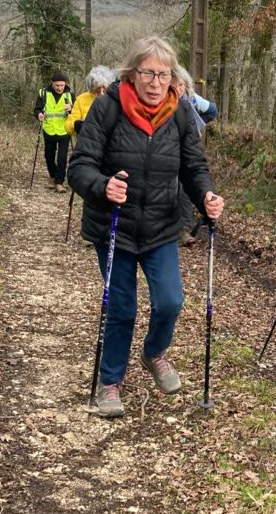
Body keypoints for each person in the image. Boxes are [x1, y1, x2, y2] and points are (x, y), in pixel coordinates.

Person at [68, 36, 224, 419]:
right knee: (122, 307)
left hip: (160, 226)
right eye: (148, 73)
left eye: (163, 74)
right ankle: (110, 381)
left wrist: (206, 196)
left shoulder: (181, 112)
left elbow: (193, 167)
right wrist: (103, 186)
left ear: (173, 78)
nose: (156, 83)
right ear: (132, 74)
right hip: (114, 225)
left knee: (170, 301)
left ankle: (154, 353)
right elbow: (80, 165)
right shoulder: (108, 107)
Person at [174, 67, 218, 244]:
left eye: (181, 85)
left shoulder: (192, 98)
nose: (179, 89)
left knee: (185, 187)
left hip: (188, 146)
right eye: (175, 85)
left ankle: (183, 229)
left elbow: (212, 111)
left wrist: (196, 125)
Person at [35, 72, 73, 192]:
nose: (60, 88)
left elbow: (76, 112)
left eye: (62, 85)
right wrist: (39, 115)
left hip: (64, 130)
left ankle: (59, 182)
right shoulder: (44, 94)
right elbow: (37, 109)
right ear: (52, 84)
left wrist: (71, 109)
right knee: (49, 156)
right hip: (49, 130)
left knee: (62, 158)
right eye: (57, 85)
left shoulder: (70, 95)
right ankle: (53, 175)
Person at [66, 65, 114, 139]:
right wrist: (76, 125)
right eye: (98, 89)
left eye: (104, 88)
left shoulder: (113, 99)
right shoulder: (81, 99)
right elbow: (68, 126)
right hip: (86, 142)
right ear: (92, 87)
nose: (101, 92)